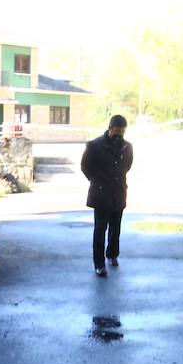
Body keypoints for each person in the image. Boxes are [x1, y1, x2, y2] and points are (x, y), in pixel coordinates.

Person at [80, 114, 134, 277]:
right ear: (110, 128)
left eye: (122, 132)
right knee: (100, 230)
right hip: (101, 194)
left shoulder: (127, 146)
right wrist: (97, 181)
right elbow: (85, 166)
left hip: (119, 193)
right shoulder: (94, 145)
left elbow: (128, 165)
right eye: (116, 131)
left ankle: (112, 255)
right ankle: (99, 264)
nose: (119, 135)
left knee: (115, 228)